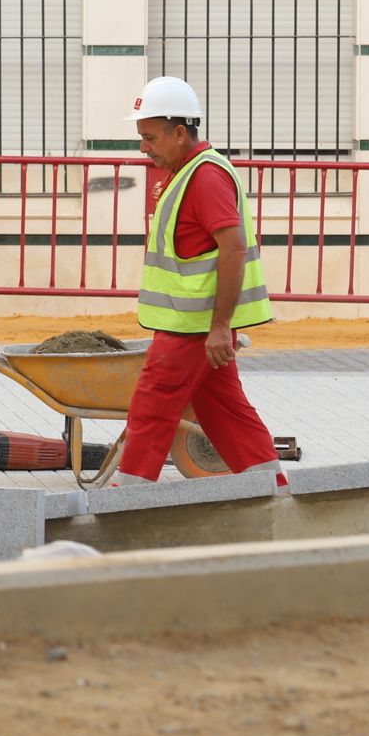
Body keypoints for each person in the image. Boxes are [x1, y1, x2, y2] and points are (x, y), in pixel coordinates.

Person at [118, 75, 287, 487]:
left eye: (150, 137)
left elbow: (233, 249)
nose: (143, 147)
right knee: (225, 410)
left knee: (151, 410)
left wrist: (219, 328)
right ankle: (272, 490)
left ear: (179, 133)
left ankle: (122, 501)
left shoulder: (205, 177)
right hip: (194, 324)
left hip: (192, 327)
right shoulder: (189, 172)